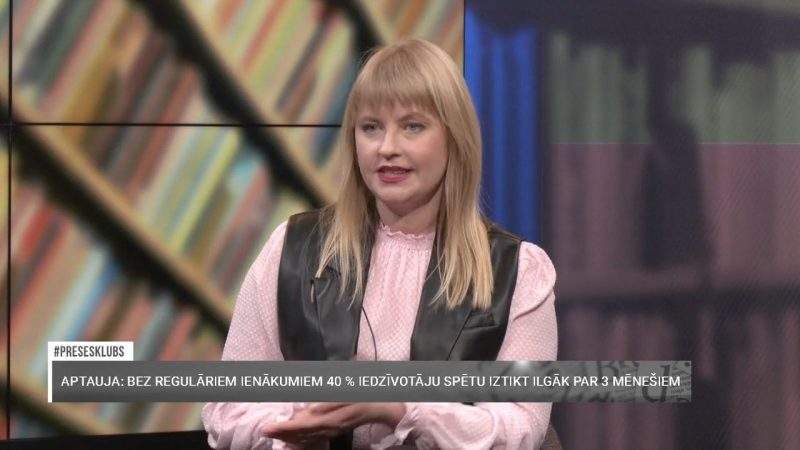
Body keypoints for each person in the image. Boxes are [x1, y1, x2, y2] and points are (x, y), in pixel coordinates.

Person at [202, 38, 557, 450]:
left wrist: (401, 408)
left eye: (412, 126)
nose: (387, 148)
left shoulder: (517, 270)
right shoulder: (293, 248)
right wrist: (300, 422)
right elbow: (227, 408)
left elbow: (523, 425)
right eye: (371, 127)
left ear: (454, 137)